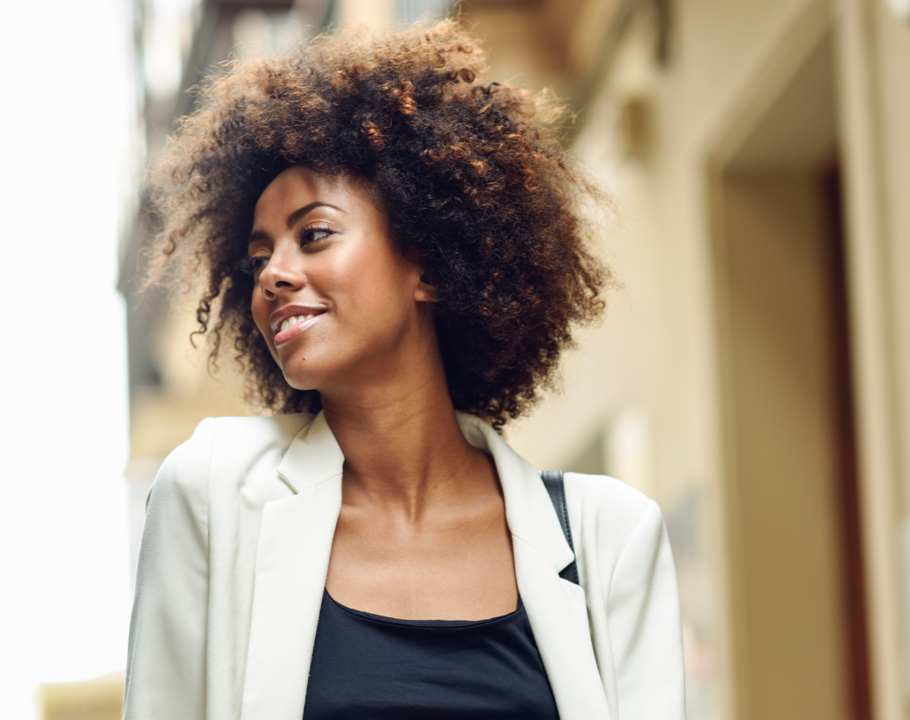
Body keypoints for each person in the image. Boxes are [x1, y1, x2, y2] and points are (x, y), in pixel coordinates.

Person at [123, 19, 686, 720]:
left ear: (429, 263)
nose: (273, 275)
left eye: (315, 234)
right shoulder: (212, 493)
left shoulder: (607, 537)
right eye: (258, 256)